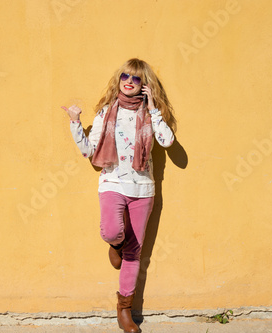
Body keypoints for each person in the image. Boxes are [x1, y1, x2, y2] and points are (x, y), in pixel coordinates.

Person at [62, 58, 176, 333]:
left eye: (137, 79)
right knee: (113, 232)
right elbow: (89, 151)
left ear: (145, 85)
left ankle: (125, 310)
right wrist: (76, 123)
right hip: (112, 182)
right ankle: (115, 246)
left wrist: (153, 108)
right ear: (119, 78)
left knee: (134, 253)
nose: (129, 81)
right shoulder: (105, 113)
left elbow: (167, 141)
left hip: (143, 189)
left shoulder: (150, 113)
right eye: (126, 75)